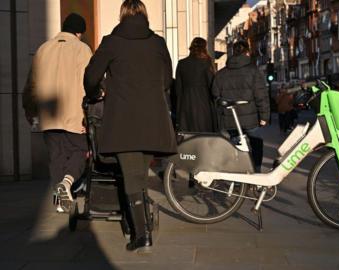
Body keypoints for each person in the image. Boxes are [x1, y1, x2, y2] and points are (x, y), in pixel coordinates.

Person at [83, 0, 177, 252]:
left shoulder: (111, 42)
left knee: (131, 176)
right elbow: (167, 79)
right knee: (138, 175)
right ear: (144, 15)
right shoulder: (157, 42)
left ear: (122, 15)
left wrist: (98, 92)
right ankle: (137, 223)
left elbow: (91, 77)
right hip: (153, 120)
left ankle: (141, 233)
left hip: (123, 119)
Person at [22, 13, 92, 213]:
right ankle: (67, 183)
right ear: (79, 32)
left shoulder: (43, 49)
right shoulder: (82, 49)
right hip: (74, 114)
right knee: (80, 151)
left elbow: (31, 84)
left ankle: (61, 200)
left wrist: (29, 109)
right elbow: (88, 82)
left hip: (49, 115)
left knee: (56, 157)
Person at [212, 40, 270, 172]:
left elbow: (215, 94)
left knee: (235, 145)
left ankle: (237, 174)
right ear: (247, 53)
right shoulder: (254, 72)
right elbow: (261, 96)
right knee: (256, 142)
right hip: (251, 119)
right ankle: (256, 171)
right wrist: (264, 116)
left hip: (230, 118)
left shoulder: (221, 74)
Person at [175, 37, 217, 132]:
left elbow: (178, 88)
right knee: (204, 132)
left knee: (188, 133)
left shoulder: (182, 63)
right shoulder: (206, 62)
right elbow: (212, 84)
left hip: (186, 103)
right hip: (204, 102)